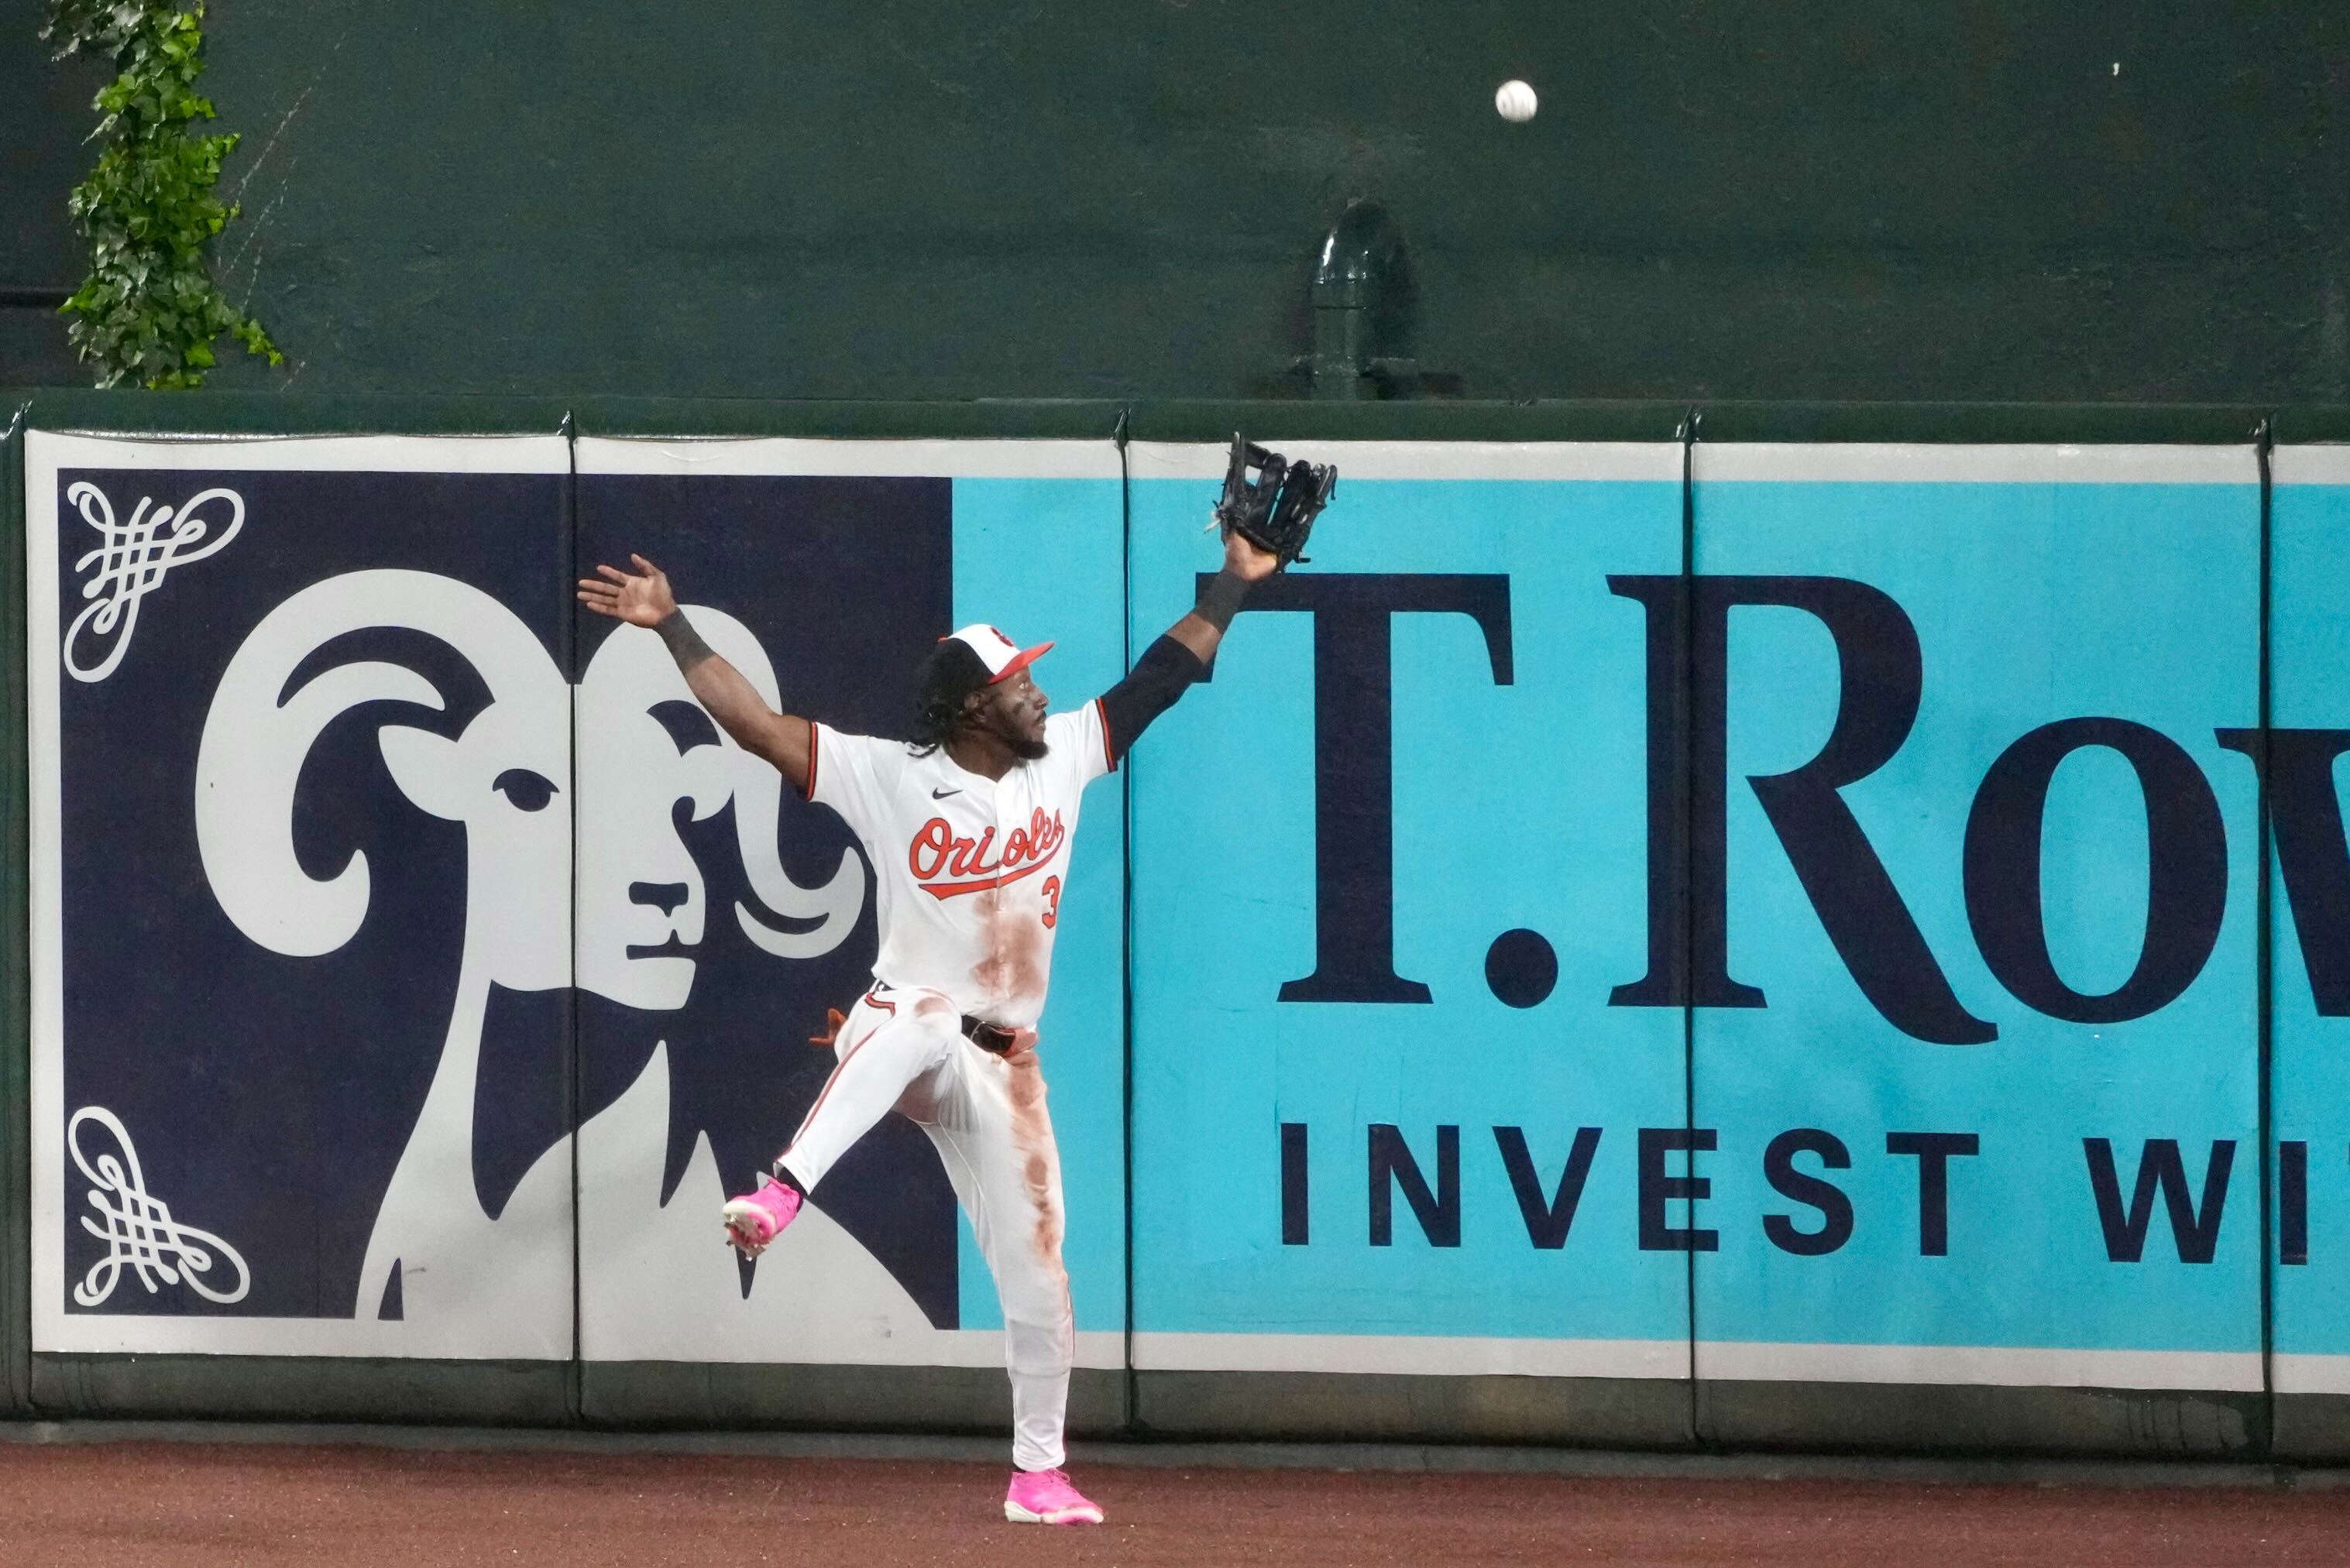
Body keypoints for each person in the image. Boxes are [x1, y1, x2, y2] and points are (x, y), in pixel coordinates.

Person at [576, 526, 1280, 1525]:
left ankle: (1038, 1474)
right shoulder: (887, 774)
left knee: (1040, 1278)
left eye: (1032, 678)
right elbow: (758, 725)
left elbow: (1162, 676)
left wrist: (1234, 584)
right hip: (902, 1033)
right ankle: (783, 1189)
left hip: (1004, 1065)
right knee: (921, 1009)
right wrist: (672, 625)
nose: (1037, 691)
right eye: (1016, 682)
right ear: (968, 707)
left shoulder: (1063, 757)